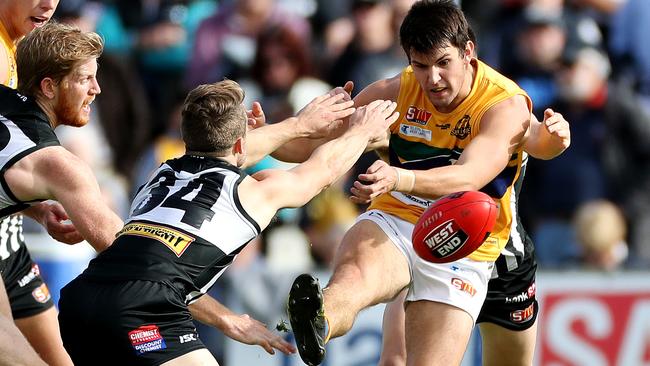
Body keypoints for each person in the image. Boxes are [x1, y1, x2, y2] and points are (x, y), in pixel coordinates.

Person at [285, 1, 569, 365]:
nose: (432, 79)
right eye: (420, 66)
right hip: (402, 216)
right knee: (358, 288)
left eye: (443, 63)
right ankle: (322, 320)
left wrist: (398, 176)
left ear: (468, 52)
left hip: (474, 244)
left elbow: (469, 177)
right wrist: (263, 135)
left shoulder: (503, 104)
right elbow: (317, 142)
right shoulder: (393, 92)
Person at [56, 79, 399, 365]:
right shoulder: (252, 192)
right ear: (240, 142)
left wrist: (298, 125)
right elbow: (323, 171)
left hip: (80, 301)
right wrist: (361, 131)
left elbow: (223, 148)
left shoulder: (160, 172)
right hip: (142, 313)